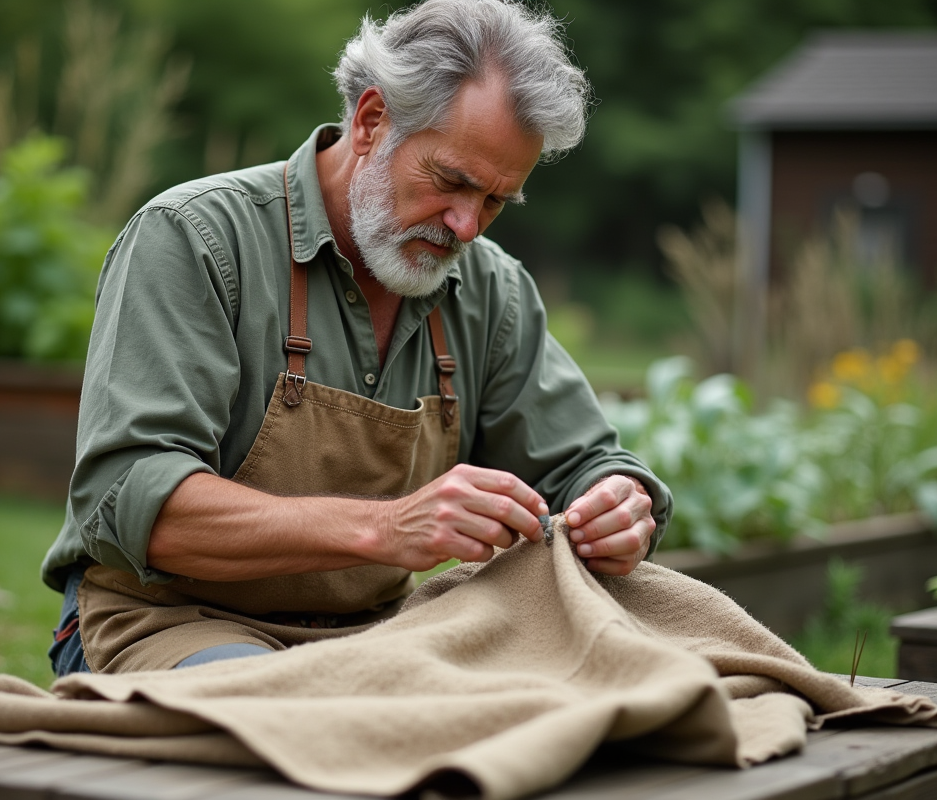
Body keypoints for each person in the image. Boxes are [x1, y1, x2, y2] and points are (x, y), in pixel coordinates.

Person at [42, 0, 672, 676]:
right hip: (166, 623)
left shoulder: (494, 290)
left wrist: (619, 502)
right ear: (372, 120)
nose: (465, 226)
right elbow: (132, 499)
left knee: (633, 685)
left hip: (382, 639)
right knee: (298, 731)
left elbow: (584, 465)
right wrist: (387, 527)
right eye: (451, 181)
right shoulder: (193, 240)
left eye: (493, 201)